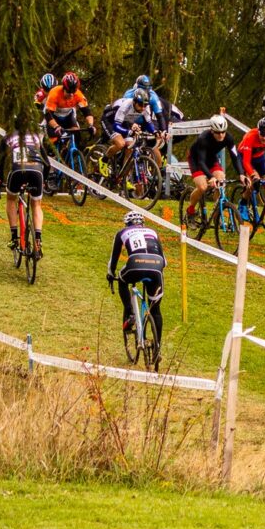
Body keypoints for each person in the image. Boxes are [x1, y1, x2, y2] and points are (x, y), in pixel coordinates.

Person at [106, 212, 166, 361]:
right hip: (156, 266)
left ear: (127, 224)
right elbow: (164, 261)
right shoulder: (153, 232)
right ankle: (158, 348)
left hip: (135, 264)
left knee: (122, 279)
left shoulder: (122, 232)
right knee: (156, 310)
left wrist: (110, 274)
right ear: (142, 223)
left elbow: (114, 258)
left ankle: (130, 313)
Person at [0, 123, 45, 257]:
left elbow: (0, 163)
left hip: (18, 170)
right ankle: (38, 241)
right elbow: (47, 162)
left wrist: (0, 179)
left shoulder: (7, 137)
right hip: (37, 171)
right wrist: (44, 180)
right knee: (36, 204)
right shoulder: (36, 136)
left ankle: (14, 238)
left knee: (11, 198)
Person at [185, 115, 240, 224]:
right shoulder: (203, 139)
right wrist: (211, 177)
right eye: (218, 133)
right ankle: (190, 210)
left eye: (223, 132)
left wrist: (241, 174)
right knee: (202, 187)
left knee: (221, 181)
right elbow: (201, 162)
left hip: (211, 159)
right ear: (212, 131)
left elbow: (235, 157)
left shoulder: (229, 138)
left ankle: (216, 216)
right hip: (197, 160)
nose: (221, 135)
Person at [99, 87, 159, 180]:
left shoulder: (145, 108)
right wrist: (128, 132)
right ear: (134, 102)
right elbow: (116, 126)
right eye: (140, 105)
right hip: (110, 121)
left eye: (145, 105)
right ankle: (104, 160)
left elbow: (149, 123)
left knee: (131, 147)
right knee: (120, 144)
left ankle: (124, 179)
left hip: (123, 121)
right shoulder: (126, 105)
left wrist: (155, 132)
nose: (143, 107)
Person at [41, 74, 90, 150]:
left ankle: (70, 154)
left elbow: (87, 112)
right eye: (68, 92)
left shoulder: (78, 94)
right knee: (53, 142)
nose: (71, 94)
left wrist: (91, 125)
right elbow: (48, 114)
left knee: (76, 133)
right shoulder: (54, 93)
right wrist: (56, 126)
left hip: (68, 116)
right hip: (54, 116)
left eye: (73, 92)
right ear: (63, 88)